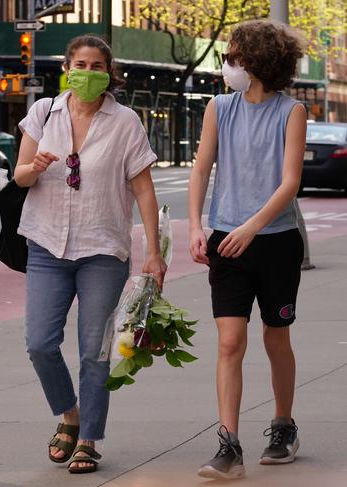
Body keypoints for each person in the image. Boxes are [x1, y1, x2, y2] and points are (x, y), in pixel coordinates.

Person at [14, 34, 167, 475]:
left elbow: (142, 187)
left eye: (97, 66)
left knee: (94, 351)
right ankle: (69, 413)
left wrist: (153, 252)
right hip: (46, 246)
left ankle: (87, 438)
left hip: (103, 249)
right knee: (40, 344)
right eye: (80, 64)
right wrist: (35, 166)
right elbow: (20, 177)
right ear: (67, 66)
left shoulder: (125, 122)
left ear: (109, 73)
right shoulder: (44, 113)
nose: (88, 72)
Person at [188, 20, 306, 480]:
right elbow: (200, 170)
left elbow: (290, 182)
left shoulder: (290, 111)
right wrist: (198, 226)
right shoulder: (219, 107)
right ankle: (229, 445)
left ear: (256, 60)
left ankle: (283, 427)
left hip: (275, 242)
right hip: (226, 241)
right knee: (230, 342)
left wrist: (252, 227)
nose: (228, 63)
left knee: (276, 337)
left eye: (234, 54)